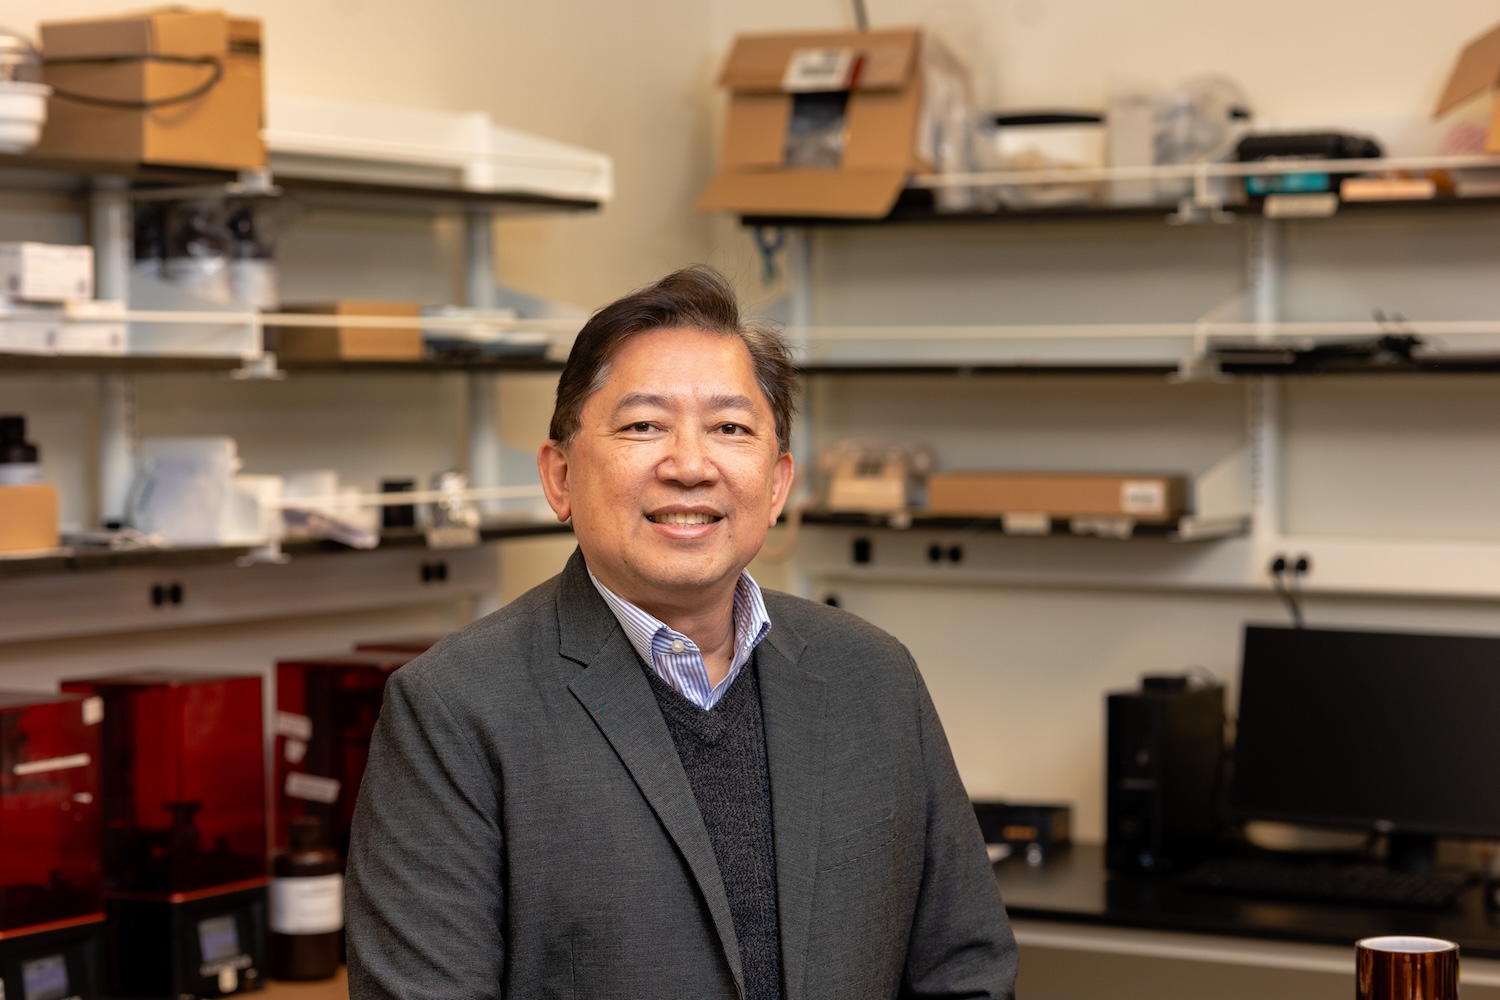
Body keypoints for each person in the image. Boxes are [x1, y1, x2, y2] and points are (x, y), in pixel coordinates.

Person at [345, 266, 1018, 999]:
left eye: (730, 428)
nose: (691, 466)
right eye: (643, 426)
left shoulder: (875, 676)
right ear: (560, 477)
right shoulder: (455, 708)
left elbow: (967, 972)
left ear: (776, 484)